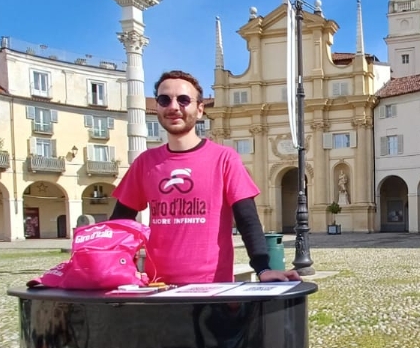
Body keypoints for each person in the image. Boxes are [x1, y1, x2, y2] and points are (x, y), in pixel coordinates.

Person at [111, 70, 299, 285]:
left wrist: (263, 268)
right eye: (164, 100)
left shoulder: (224, 158)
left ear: (200, 110)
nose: (173, 107)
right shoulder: (145, 163)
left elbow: (247, 218)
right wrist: (113, 265)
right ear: (158, 107)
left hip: (213, 290)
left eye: (183, 100)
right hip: (159, 289)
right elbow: (119, 224)